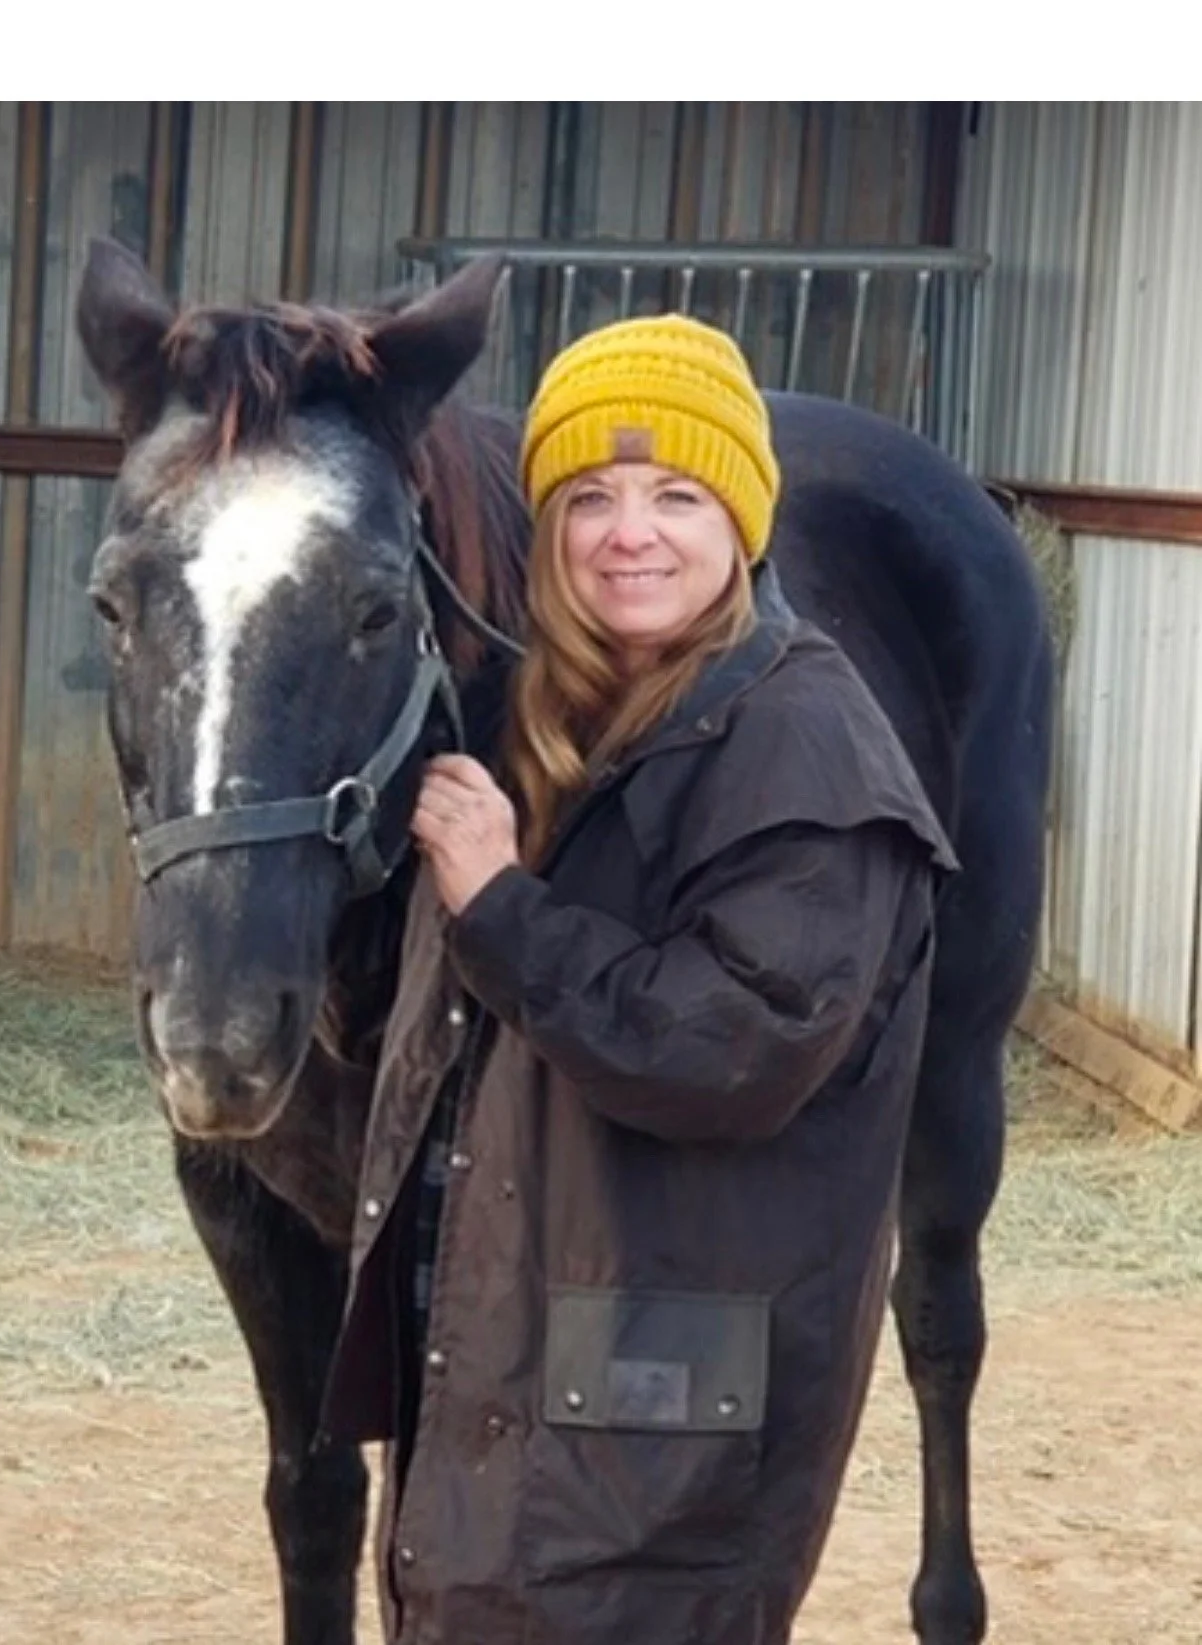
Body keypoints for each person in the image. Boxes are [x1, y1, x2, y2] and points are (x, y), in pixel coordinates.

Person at [325, 313, 957, 1644]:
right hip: (516, 1373)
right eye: (591, 497)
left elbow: (724, 1046)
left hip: (654, 1440)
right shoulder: (540, 720)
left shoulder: (804, 747)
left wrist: (501, 905)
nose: (630, 533)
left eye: (677, 494)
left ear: (742, 523)